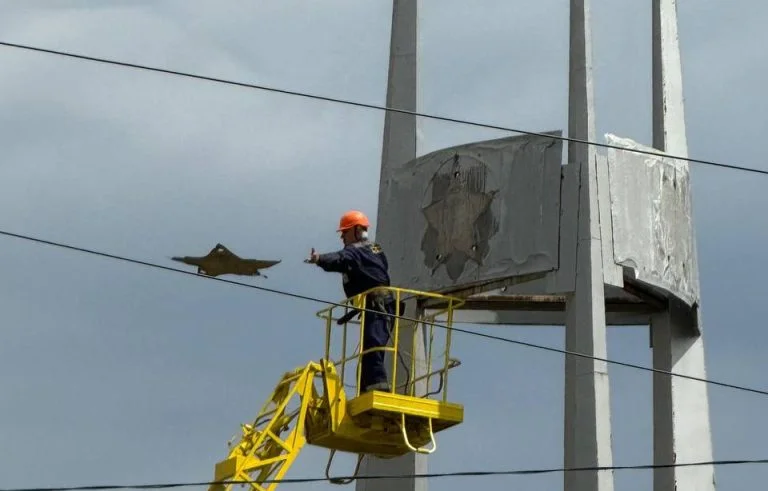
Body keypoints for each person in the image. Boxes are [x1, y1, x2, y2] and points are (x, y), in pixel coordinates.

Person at [305, 210, 394, 393]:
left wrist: (320, 259)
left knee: (373, 344)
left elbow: (341, 259)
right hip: (379, 306)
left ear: (357, 230)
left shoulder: (356, 252)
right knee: (369, 348)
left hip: (378, 305)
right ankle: (368, 388)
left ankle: (378, 387)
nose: (342, 238)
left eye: (345, 232)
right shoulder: (373, 250)